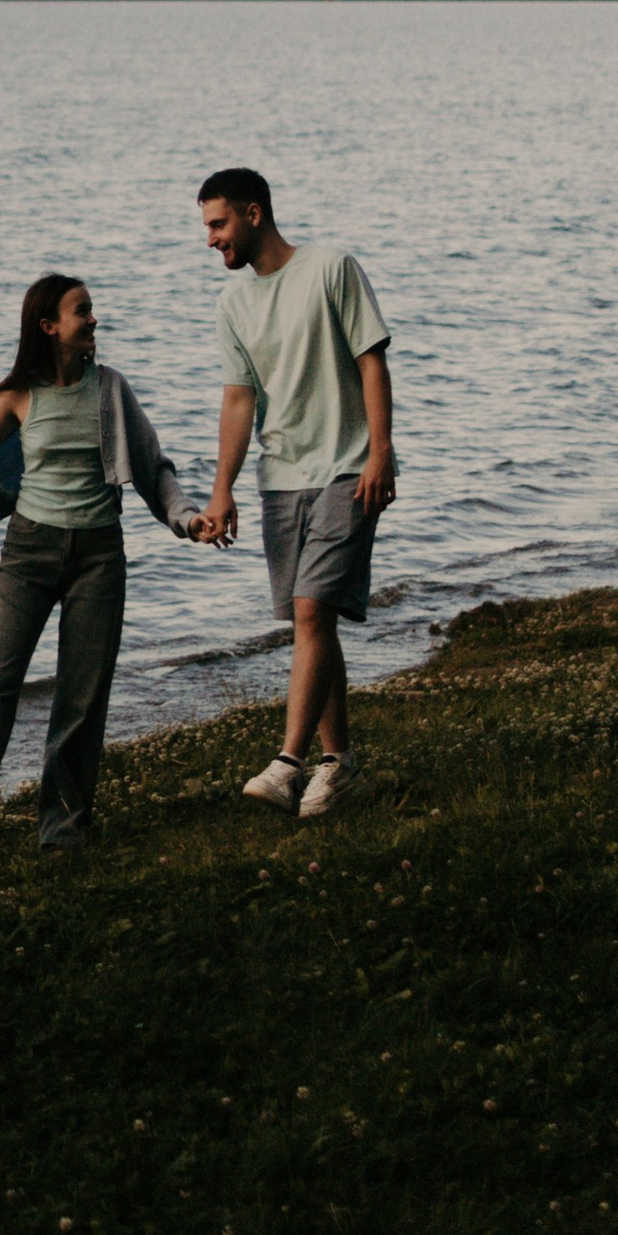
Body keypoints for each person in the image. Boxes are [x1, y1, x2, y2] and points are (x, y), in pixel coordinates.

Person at [0, 271, 194, 861]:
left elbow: (152, 464)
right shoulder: (15, 396)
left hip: (99, 557)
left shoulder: (111, 389)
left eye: (91, 310)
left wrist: (186, 518)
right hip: (28, 554)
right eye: (82, 310)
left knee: (82, 697)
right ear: (48, 325)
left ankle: (62, 830)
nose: (93, 319)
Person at [192, 168, 395, 818]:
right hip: (281, 482)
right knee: (315, 623)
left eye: (218, 225)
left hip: (347, 467)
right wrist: (221, 491)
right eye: (206, 228)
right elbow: (237, 400)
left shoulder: (331, 267)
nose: (211, 240)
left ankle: (288, 762)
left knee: (310, 614)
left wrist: (381, 452)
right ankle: (340, 765)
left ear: (254, 213)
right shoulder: (234, 306)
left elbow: (371, 359)